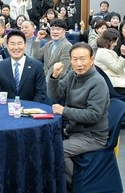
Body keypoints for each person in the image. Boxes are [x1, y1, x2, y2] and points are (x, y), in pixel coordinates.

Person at [47, 43, 110, 185]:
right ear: (70, 60)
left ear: (92, 60)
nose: (79, 64)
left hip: (92, 136)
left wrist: (64, 111)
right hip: (73, 130)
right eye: (74, 59)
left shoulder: (98, 82)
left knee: (58, 150)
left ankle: (78, 185)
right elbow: (54, 94)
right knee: (43, 141)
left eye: (83, 59)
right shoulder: (72, 75)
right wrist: (55, 76)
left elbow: (93, 115)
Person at [0, 29, 46, 102]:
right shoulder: (0, 65)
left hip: (30, 107)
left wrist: (33, 108)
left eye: (19, 44)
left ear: (25, 45)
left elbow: (40, 93)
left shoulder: (37, 66)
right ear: (7, 46)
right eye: (12, 44)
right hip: (6, 107)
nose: (16, 47)